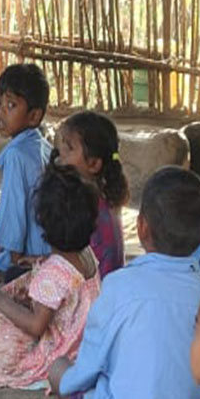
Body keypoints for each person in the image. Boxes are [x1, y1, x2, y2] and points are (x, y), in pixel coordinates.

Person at [52, 166, 200, 399]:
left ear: (141, 228)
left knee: (59, 370)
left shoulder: (119, 286)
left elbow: (87, 369)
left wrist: (65, 380)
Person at [0, 164, 102, 390]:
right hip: (81, 342)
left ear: (43, 225)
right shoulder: (86, 254)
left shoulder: (54, 273)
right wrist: (38, 264)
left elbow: (35, 327)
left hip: (60, 351)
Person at [0, 63, 52, 277]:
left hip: (30, 257)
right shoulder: (45, 147)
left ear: (34, 116)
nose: (0, 112)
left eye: (11, 105)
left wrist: (11, 268)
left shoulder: (16, 156)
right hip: (51, 253)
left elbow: (14, 217)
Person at [54, 110, 129, 276]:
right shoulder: (106, 195)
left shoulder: (82, 203)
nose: (61, 153)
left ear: (93, 164)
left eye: (69, 148)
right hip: (108, 285)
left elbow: (71, 262)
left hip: (93, 290)